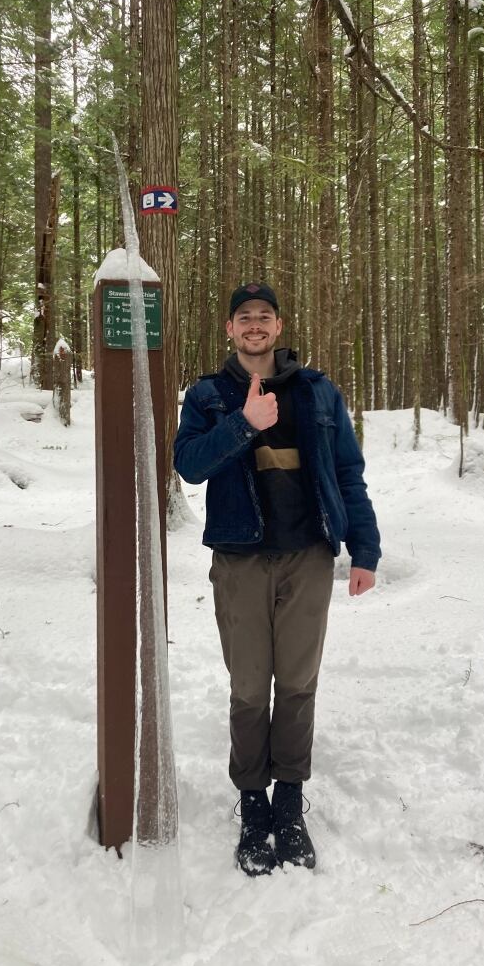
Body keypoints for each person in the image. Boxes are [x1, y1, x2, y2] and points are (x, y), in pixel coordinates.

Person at [173, 282, 381, 877]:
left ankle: (289, 799)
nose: (255, 326)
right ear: (230, 330)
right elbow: (187, 465)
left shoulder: (317, 392)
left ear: (279, 326)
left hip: (307, 557)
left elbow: (347, 473)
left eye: (264, 316)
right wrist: (243, 423)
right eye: (245, 318)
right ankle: (251, 802)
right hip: (239, 559)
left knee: (296, 682)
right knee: (246, 685)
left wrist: (364, 549)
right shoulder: (209, 394)